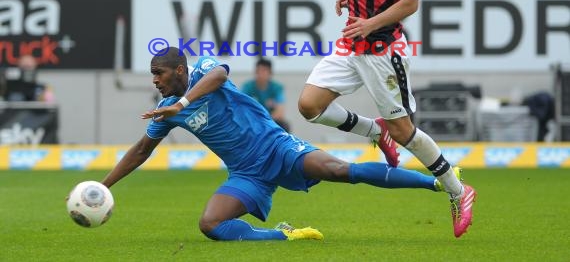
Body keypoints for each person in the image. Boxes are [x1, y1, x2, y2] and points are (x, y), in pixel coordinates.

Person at [101, 47, 458, 241]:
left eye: (158, 73)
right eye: (152, 75)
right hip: (246, 173)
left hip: (277, 147)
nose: (155, 81)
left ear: (179, 70)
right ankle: (283, 235)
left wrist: (182, 103)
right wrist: (103, 187)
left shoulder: (203, 70)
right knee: (210, 225)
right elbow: (140, 151)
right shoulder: (166, 111)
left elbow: (220, 75)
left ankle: (437, 181)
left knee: (341, 170)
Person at [296, 0, 476, 239]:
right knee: (309, 105)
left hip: (382, 51)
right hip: (352, 44)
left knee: (404, 131)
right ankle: (375, 130)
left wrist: (370, 22)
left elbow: (411, 1)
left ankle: (458, 190)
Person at [242, 59, 290, 132]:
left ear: (270, 73)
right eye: (258, 71)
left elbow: (280, 112)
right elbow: (241, 107)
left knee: (284, 125)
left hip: (270, 121)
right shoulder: (247, 87)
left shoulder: (277, 87)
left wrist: (265, 122)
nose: (260, 74)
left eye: (264, 71)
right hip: (252, 121)